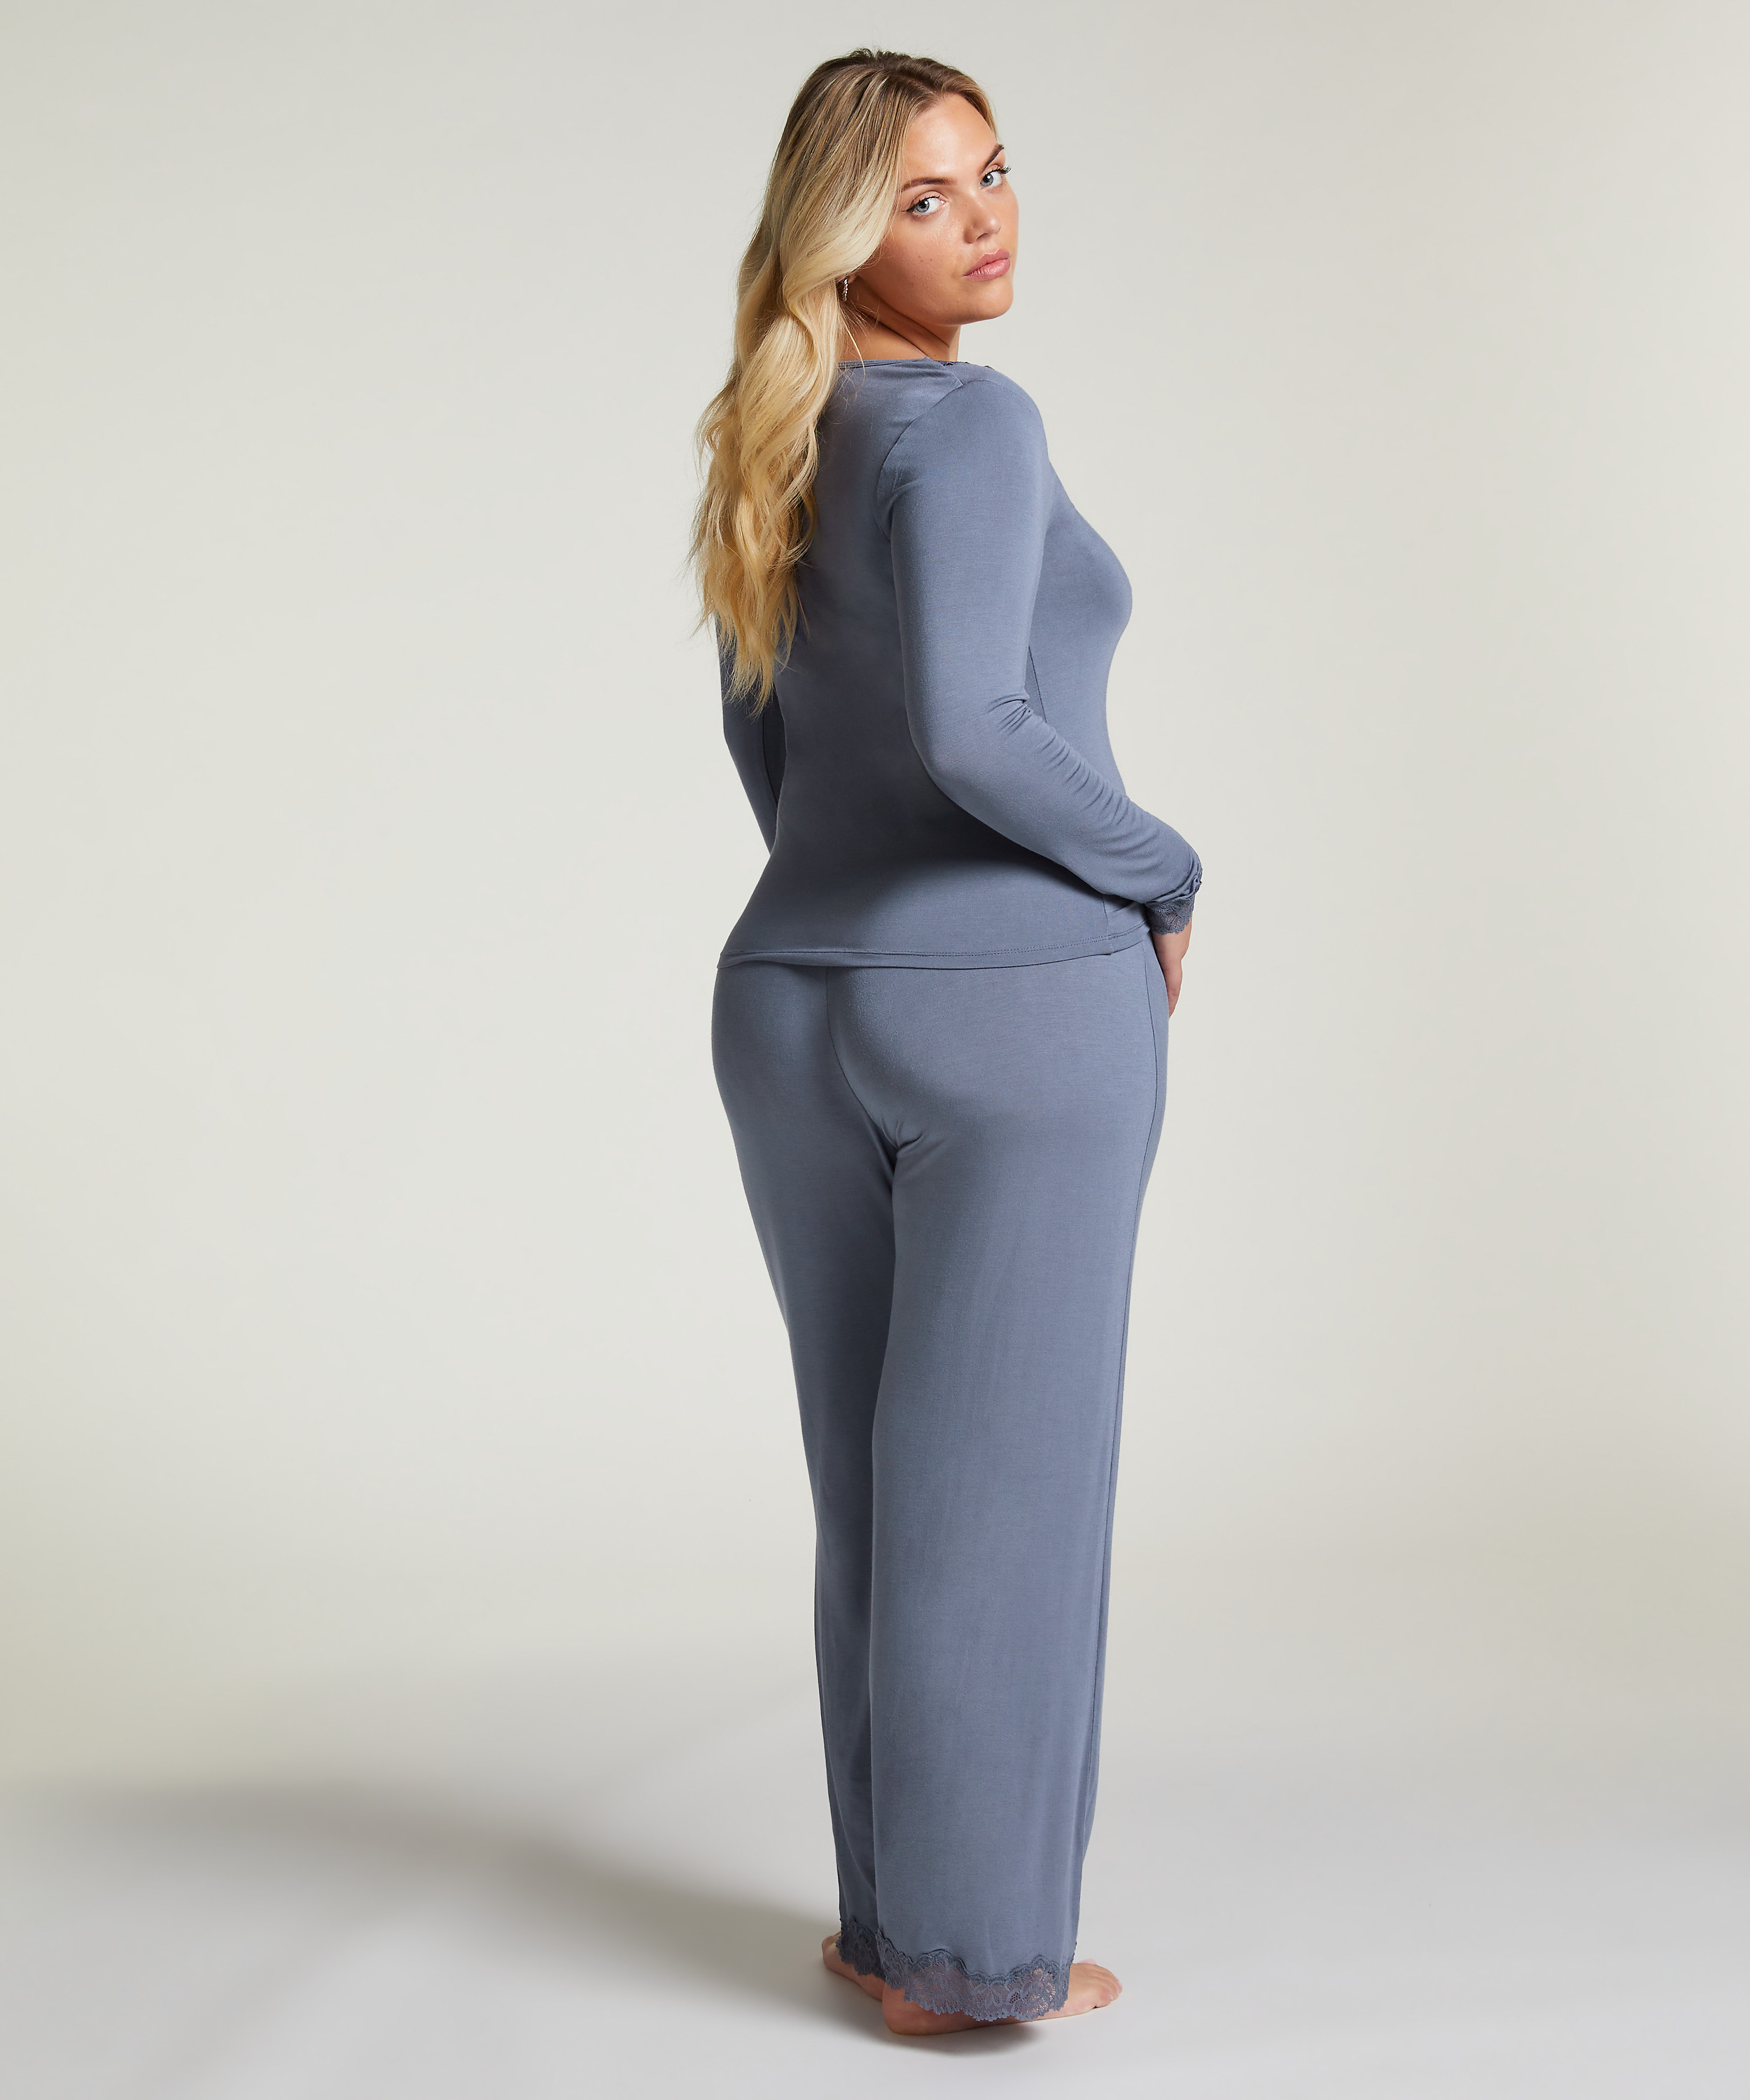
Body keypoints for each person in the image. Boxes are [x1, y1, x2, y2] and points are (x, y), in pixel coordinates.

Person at [693, 48, 1200, 2036]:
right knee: (1000, 1502)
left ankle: (888, 1923)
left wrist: (852, 899)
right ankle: (971, 1968)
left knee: (880, 1491)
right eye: (923, 196)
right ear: (841, 233)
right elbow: (981, 732)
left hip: (789, 1001)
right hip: (1014, 1014)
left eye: (992, 173)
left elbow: (767, 742)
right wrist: (1162, 868)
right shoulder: (973, 426)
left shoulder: (780, 435)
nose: (982, 219)